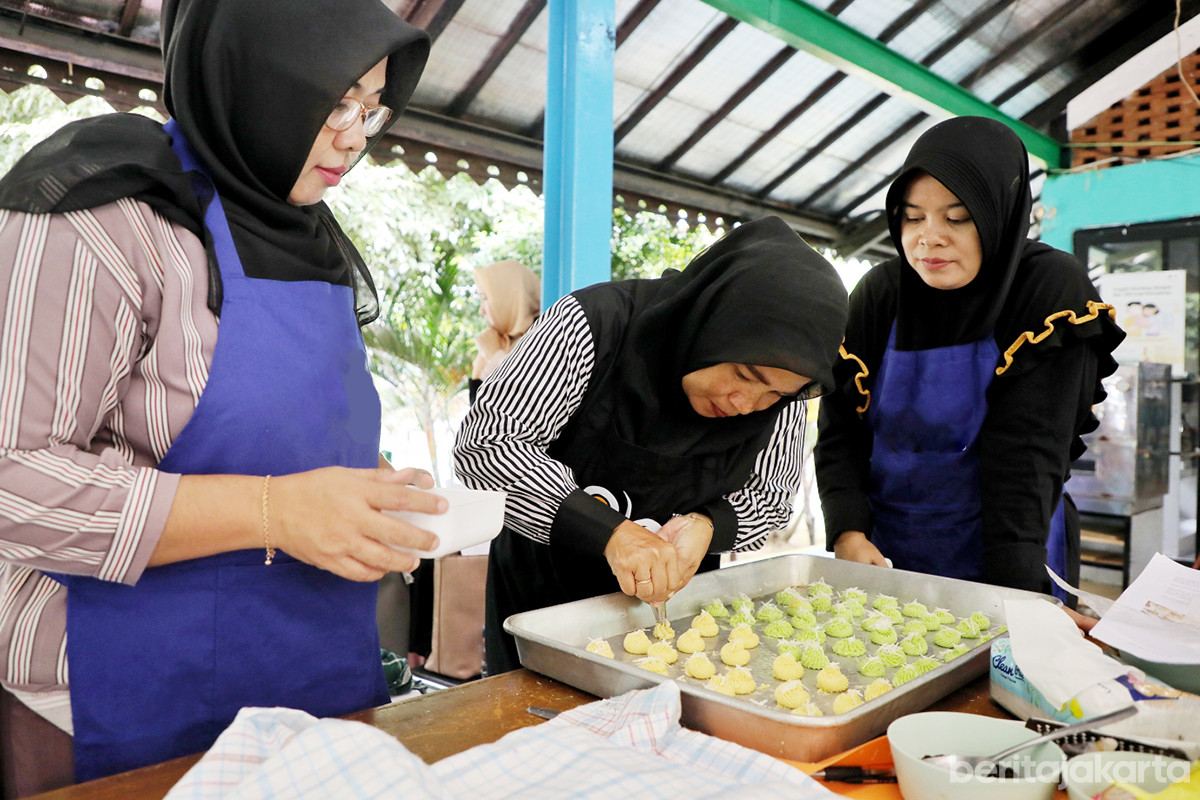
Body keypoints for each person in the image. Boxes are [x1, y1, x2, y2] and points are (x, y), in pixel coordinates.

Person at [0, 0, 440, 793]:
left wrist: (367, 484)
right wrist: (274, 512)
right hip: (126, 698)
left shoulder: (310, 232)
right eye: (334, 101)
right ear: (250, 74)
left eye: (373, 110)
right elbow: (12, 480)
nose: (354, 136)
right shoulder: (105, 213)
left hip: (312, 687)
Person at [453, 216, 849, 674]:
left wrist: (708, 524)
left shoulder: (784, 389)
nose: (746, 404)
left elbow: (771, 497)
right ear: (710, 322)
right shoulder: (593, 324)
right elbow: (486, 444)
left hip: (674, 614)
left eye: (774, 396)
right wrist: (611, 533)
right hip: (541, 603)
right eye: (743, 375)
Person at [814, 116, 1124, 600]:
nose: (929, 237)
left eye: (957, 217)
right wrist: (848, 530)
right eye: (913, 217)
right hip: (887, 552)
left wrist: (1016, 592)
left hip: (1010, 544)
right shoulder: (880, 294)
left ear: (999, 212)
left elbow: (1028, 450)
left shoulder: (1046, 289)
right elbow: (841, 432)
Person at [469, 259, 542, 402]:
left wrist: (494, 355)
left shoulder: (541, 339)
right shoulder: (501, 341)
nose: (481, 310)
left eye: (485, 298)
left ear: (509, 297)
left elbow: (527, 398)